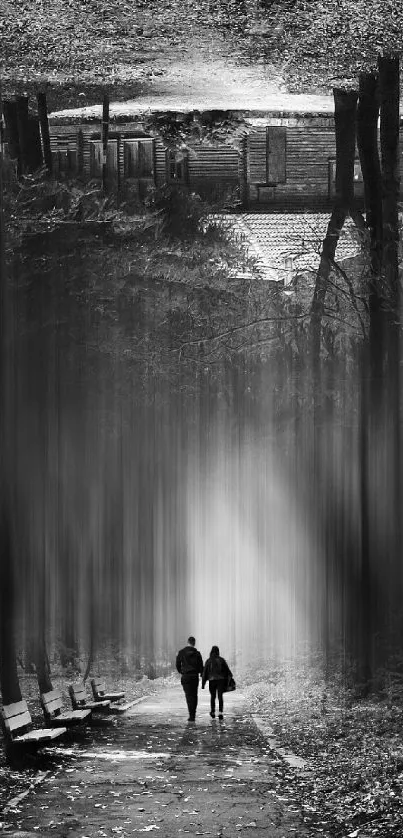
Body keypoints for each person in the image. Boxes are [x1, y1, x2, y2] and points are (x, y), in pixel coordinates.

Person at [176, 636, 204, 722]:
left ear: (187, 642)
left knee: (188, 696)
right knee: (194, 695)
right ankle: (193, 714)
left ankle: (191, 715)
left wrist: (182, 671)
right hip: (194, 676)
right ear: (194, 643)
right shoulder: (197, 653)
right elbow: (201, 667)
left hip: (186, 676)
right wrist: (201, 674)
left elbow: (177, 664)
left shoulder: (181, 652)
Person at [202, 645, 233, 720]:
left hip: (212, 681)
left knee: (213, 696)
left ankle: (212, 712)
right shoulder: (221, 660)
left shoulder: (209, 661)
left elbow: (205, 672)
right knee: (220, 696)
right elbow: (228, 671)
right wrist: (228, 679)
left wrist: (203, 683)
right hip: (221, 681)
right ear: (218, 652)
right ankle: (220, 712)